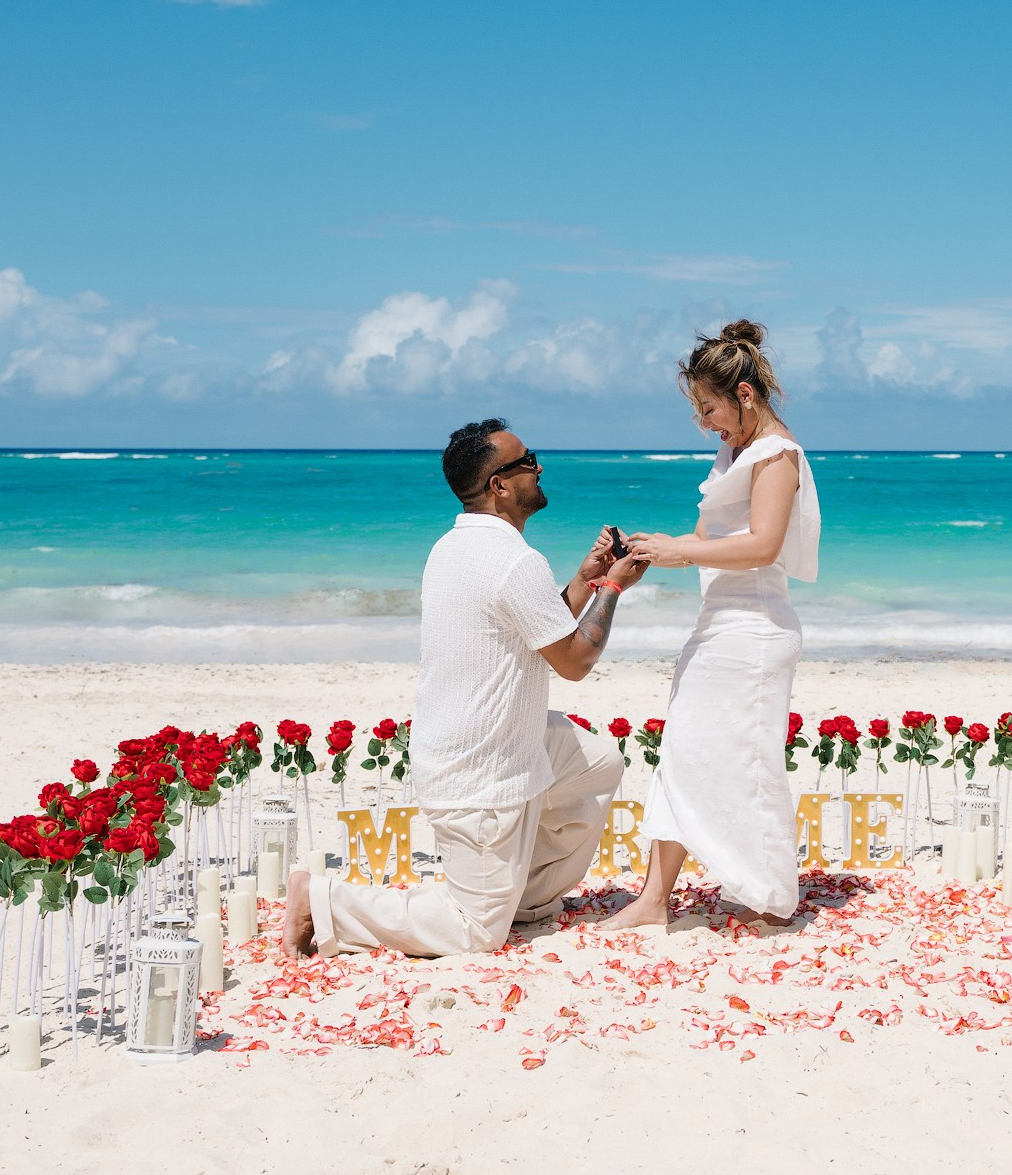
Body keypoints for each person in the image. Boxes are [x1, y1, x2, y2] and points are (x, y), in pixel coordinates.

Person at [281, 418, 647, 957]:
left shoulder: (453, 547)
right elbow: (572, 661)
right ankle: (324, 899)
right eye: (527, 462)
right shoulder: (513, 561)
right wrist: (613, 587)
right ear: (499, 485)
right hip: (479, 773)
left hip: (495, 739)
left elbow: (533, 630)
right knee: (473, 931)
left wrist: (583, 580)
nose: (539, 467)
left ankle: (522, 897)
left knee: (595, 762)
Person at [601, 320, 820, 928]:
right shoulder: (736, 451)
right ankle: (653, 899)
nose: (704, 423)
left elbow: (764, 545)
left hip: (755, 629)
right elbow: (707, 538)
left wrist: (684, 554)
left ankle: (771, 896)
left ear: (745, 395)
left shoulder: (777, 455)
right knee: (680, 752)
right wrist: (654, 546)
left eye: (708, 408)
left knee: (748, 763)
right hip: (717, 621)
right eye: (698, 411)